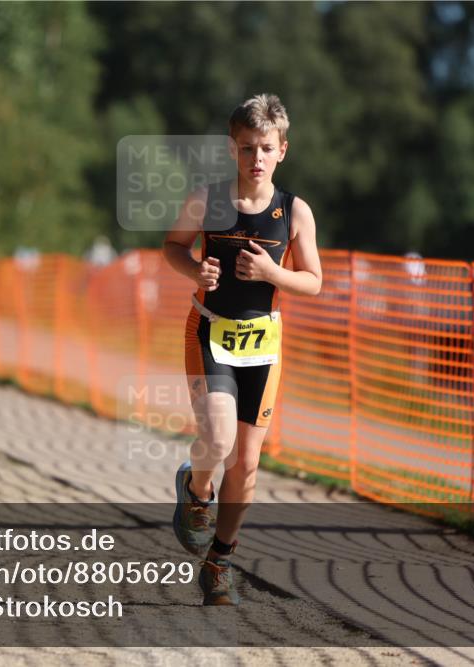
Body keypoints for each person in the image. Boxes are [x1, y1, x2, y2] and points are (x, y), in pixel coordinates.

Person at [162, 94, 322, 605]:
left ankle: (220, 562)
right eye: (248, 147)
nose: (257, 157)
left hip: (263, 344)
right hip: (210, 330)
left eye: (267, 148)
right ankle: (196, 489)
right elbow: (172, 246)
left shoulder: (294, 211)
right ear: (233, 148)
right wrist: (195, 270)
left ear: (282, 151)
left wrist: (275, 274)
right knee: (218, 436)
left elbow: (314, 281)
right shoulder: (206, 200)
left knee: (248, 462)